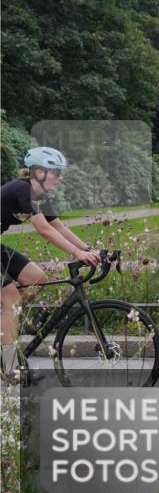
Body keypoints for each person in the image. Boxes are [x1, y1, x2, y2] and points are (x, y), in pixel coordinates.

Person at [1, 147, 102, 373]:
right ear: (38, 172)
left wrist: (89, 249)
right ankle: (9, 369)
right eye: (56, 172)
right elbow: (44, 229)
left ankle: (5, 323)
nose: (60, 177)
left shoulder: (39, 196)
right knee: (10, 297)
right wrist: (77, 254)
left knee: (37, 279)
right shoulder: (22, 188)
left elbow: (58, 226)